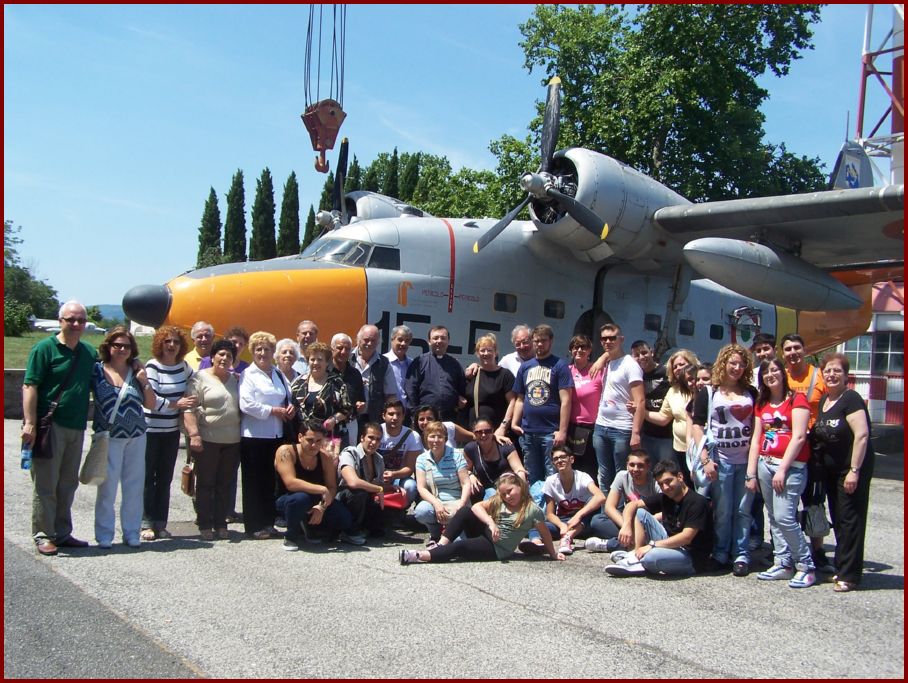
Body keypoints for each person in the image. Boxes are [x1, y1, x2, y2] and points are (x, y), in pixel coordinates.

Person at [22, 300, 99, 556]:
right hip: (49, 425)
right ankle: (43, 534)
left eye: (80, 320)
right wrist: (30, 423)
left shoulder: (88, 352)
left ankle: (62, 532)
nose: (76, 324)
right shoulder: (44, 349)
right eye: (71, 319)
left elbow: (105, 373)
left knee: (67, 483)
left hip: (76, 427)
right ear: (60, 321)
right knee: (46, 483)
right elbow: (30, 386)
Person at [745, 357, 816, 588]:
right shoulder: (762, 403)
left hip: (789, 468)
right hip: (765, 464)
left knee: (786, 517)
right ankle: (783, 562)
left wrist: (783, 469)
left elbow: (799, 436)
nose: (770, 375)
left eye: (774, 370)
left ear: (782, 373)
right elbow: (756, 439)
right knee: (774, 517)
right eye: (766, 372)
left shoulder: (798, 400)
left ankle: (805, 565)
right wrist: (751, 473)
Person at [691, 343, 757, 576]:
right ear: (723, 363)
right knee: (722, 509)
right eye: (732, 363)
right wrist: (705, 458)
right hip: (721, 460)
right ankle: (720, 553)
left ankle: (741, 554)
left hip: (745, 460)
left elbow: (757, 427)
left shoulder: (751, 393)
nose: (737, 368)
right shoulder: (709, 392)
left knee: (743, 510)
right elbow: (697, 425)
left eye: (741, 364)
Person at [811, 352, 875, 592]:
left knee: (851, 521)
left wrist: (854, 470)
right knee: (839, 520)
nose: (831, 374)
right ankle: (841, 568)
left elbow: (862, 435)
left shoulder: (851, 399)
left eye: (837, 370)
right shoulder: (825, 401)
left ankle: (849, 575)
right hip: (831, 471)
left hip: (850, 470)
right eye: (827, 370)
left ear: (846, 375)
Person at [399, 472, 564, 564]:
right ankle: (440, 546)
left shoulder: (532, 510)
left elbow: (545, 533)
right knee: (464, 511)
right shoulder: (499, 500)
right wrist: (491, 523)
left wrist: (553, 554)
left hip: (497, 550)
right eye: (504, 493)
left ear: (520, 486)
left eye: (510, 491)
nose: (507, 496)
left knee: (461, 547)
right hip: (487, 534)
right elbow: (477, 507)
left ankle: (418, 556)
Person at [91, 327, 158, 548]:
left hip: (136, 435)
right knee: (107, 487)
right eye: (117, 345)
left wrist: (144, 381)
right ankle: (104, 534)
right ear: (108, 347)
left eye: (126, 346)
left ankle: (131, 532)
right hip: (108, 436)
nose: (121, 349)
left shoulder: (136, 371)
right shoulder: (97, 371)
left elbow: (150, 404)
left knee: (134, 486)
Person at [605, 460, 714, 577]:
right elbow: (632, 505)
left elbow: (686, 538)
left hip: (690, 557)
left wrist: (651, 545)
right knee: (640, 512)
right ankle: (635, 555)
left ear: (680, 477)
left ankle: (641, 561)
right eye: (661, 484)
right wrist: (626, 526)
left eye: (668, 481)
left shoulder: (697, 502)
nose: (665, 487)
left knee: (651, 557)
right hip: (671, 544)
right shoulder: (665, 497)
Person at [780, 332, 832, 574]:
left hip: (813, 446)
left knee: (813, 501)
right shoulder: (781, 377)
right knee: (784, 503)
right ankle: (789, 548)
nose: (793, 353)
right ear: (783, 353)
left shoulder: (818, 376)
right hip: (785, 446)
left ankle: (817, 548)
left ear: (805, 350)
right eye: (788, 349)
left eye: (796, 348)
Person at [182, 339, 242, 540]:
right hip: (207, 439)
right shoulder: (199, 379)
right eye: (221, 355)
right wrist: (194, 435)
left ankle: (221, 522)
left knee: (225, 483)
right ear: (213, 357)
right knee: (206, 483)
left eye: (229, 356)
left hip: (232, 440)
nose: (224, 359)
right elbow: (189, 409)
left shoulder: (236, 380)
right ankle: (205, 523)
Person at [141, 326, 196, 541]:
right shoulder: (152, 367)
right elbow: (152, 402)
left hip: (172, 432)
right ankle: (145, 522)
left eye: (175, 342)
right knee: (147, 478)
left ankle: (161, 523)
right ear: (160, 344)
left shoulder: (183, 367)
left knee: (164, 479)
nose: (172, 345)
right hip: (151, 431)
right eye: (167, 342)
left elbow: (196, 384)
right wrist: (177, 403)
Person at [239, 331, 296, 539]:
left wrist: (290, 408)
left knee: (270, 481)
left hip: (276, 434)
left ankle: (268, 522)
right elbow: (246, 404)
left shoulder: (278, 374)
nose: (263, 353)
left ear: (273, 352)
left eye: (267, 349)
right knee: (254, 481)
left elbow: (288, 397)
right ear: (253, 352)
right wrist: (272, 411)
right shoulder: (248, 374)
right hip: (254, 435)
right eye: (258, 349)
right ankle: (254, 525)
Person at [274, 420, 354, 551]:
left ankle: (313, 527)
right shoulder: (286, 451)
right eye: (309, 440)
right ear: (300, 437)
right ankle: (291, 536)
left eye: (318, 441)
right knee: (300, 499)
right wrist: (321, 489)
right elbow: (291, 483)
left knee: (345, 519)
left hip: (316, 500)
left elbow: (332, 487)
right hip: (289, 499)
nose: (314, 445)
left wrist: (322, 507)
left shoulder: (325, 457)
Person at [510, 324, 573, 484]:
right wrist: (514, 422)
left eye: (543, 341)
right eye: (536, 341)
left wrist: (562, 431)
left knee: (552, 475)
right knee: (531, 474)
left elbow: (566, 400)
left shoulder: (560, 365)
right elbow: (520, 398)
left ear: (550, 341)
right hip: (528, 431)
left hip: (550, 432)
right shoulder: (525, 367)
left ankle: (551, 508)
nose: (539, 344)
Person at [521, 447, 609, 555]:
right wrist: (561, 525)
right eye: (556, 459)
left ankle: (568, 537)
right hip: (564, 523)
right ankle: (537, 544)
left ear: (571, 459)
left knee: (592, 503)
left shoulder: (583, 477)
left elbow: (601, 497)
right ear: (553, 463)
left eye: (563, 457)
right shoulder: (551, 481)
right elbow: (550, 514)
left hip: (584, 523)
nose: (559, 461)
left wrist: (578, 516)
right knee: (535, 524)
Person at [592, 323, 644, 492]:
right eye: (604, 339)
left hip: (622, 429)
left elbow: (640, 400)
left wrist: (635, 433)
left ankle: (621, 513)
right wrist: (602, 358)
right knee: (604, 474)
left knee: (621, 475)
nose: (608, 341)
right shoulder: (608, 362)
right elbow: (609, 354)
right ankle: (606, 513)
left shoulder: (630, 365)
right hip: (601, 426)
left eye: (612, 338)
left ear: (621, 339)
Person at [587, 448, 661, 552]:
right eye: (632, 465)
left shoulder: (656, 481)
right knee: (597, 521)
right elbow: (609, 507)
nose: (635, 469)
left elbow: (665, 512)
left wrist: (640, 525)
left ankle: (612, 544)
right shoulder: (622, 476)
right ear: (627, 465)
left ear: (648, 467)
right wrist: (626, 526)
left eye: (640, 466)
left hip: (649, 523)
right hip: (627, 519)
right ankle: (637, 542)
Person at [642, 348, 699, 483]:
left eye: (682, 364)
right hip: (680, 449)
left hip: (700, 449)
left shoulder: (701, 386)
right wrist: (640, 411)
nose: (678, 368)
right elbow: (663, 418)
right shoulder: (673, 391)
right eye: (675, 367)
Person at [413, 420, 471, 544]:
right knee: (421, 511)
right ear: (426, 438)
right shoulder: (422, 459)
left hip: (457, 501)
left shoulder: (456, 455)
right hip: (437, 501)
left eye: (439, 436)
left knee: (458, 544)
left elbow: (466, 483)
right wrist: (436, 504)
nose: (436, 440)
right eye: (432, 436)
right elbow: (421, 487)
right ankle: (435, 534)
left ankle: (451, 532)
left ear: (445, 438)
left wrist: (462, 505)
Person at [290, 341, 352, 445]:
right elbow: (292, 405)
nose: (315, 363)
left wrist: (334, 419)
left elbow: (347, 409)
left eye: (319, 359)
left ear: (327, 362)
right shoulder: (298, 382)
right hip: (302, 438)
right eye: (312, 359)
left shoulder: (336, 382)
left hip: (326, 439)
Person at [336, 422, 389, 543]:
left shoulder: (379, 459)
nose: (374, 442)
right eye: (370, 437)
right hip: (343, 499)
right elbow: (353, 482)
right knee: (359, 492)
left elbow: (379, 485)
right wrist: (378, 489)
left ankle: (366, 527)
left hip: (364, 500)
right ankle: (348, 531)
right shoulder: (349, 453)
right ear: (362, 438)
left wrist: (392, 488)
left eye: (378, 439)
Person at [405, 325, 468, 422]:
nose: (439, 341)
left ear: (448, 341)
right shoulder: (419, 362)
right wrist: (416, 416)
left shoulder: (455, 364)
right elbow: (411, 390)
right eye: (435, 338)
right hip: (426, 419)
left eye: (443, 338)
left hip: (449, 419)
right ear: (429, 341)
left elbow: (462, 389)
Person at [564, 334, 602, 481]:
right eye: (575, 347)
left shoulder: (598, 370)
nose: (579, 350)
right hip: (570, 427)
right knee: (570, 469)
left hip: (591, 429)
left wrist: (603, 358)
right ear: (570, 350)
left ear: (590, 350)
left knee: (589, 471)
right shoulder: (566, 371)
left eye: (583, 347)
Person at [463, 418, 526, 503]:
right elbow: (464, 469)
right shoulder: (470, 449)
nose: (483, 435)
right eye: (479, 432)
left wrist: (522, 487)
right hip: (487, 488)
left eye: (487, 431)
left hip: (507, 486)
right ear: (474, 433)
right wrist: (470, 475)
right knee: (487, 493)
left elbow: (519, 469)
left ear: (493, 431)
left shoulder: (505, 446)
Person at [631, 340, 673, 464]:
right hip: (647, 435)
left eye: (644, 353)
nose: (641, 357)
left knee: (666, 471)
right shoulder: (636, 376)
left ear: (652, 352)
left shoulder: (667, 372)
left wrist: (639, 410)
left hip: (667, 437)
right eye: (636, 355)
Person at [378, 398, 423, 506]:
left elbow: (409, 468)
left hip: (399, 476)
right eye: (391, 414)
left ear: (403, 416)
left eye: (398, 414)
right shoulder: (376, 431)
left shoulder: (412, 436)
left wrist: (393, 474)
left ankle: (401, 511)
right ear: (384, 415)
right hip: (376, 476)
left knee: (410, 487)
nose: (395, 418)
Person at [466, 333, 516, 427]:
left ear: (496, 352)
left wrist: (503, 426)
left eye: (489, 350)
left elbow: (512, 402)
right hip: (473, 431)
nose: (486, 353)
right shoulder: (472, 373)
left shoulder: (505, 375)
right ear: (477, 353)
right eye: (482, 350)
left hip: (495, 431)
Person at [329, 332, 365, 446]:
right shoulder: (324, 372)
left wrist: (361, 404)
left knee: (348, 457)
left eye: (347, 349)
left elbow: (361, 398)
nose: (344, 352)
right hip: (329, 423)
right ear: (332, 349)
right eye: (340, 348)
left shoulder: (355, 374)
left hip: (350, 424)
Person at [352, 324, 391, 427]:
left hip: (373, 420)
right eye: (366, 340)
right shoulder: (347, 358)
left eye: (373, 340)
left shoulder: (384, 363)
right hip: (349, 419)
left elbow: (390, 395)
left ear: (378, 342)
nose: (369, 343)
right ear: (358, 339)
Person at [382, 324, 414, 416]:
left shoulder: (412, 364)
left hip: (406, 415)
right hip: (387, 414)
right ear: (392, 339)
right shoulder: (382, 361)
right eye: (400, 340)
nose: (403, 343)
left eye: (407, 341)